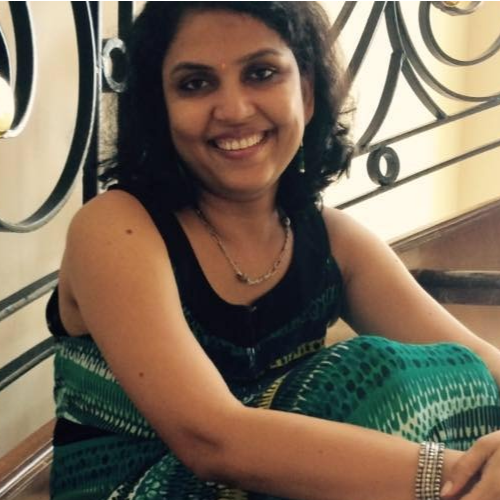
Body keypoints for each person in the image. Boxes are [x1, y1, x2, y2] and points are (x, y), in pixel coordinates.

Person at [46, 2, 500, 499]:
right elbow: (212, 439)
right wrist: (460, 475)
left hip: (274, 484)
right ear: (161, 110)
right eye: (195, 84)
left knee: (459, 374)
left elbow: (480, 363)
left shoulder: (333, 240)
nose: (235, 110)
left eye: (261, 73)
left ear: (305, 93)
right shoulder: (115, 228)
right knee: (363, 379)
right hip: (134, 486)